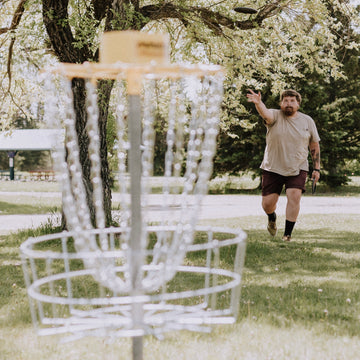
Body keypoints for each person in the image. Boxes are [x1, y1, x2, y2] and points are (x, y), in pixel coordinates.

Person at [246, 89, 321, 241]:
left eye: (292, 101)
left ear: (298, 104)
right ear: (281, 103)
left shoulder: (308, 121)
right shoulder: (274, 115)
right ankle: (271, 218)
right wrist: (258, 103)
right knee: (267, 204)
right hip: (273, 167)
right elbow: (265, 113)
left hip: (298, 166)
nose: (289, 104)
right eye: (285, 101)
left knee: (294, 197)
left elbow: (314, 146)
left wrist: (317, 168)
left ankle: (287, 235)